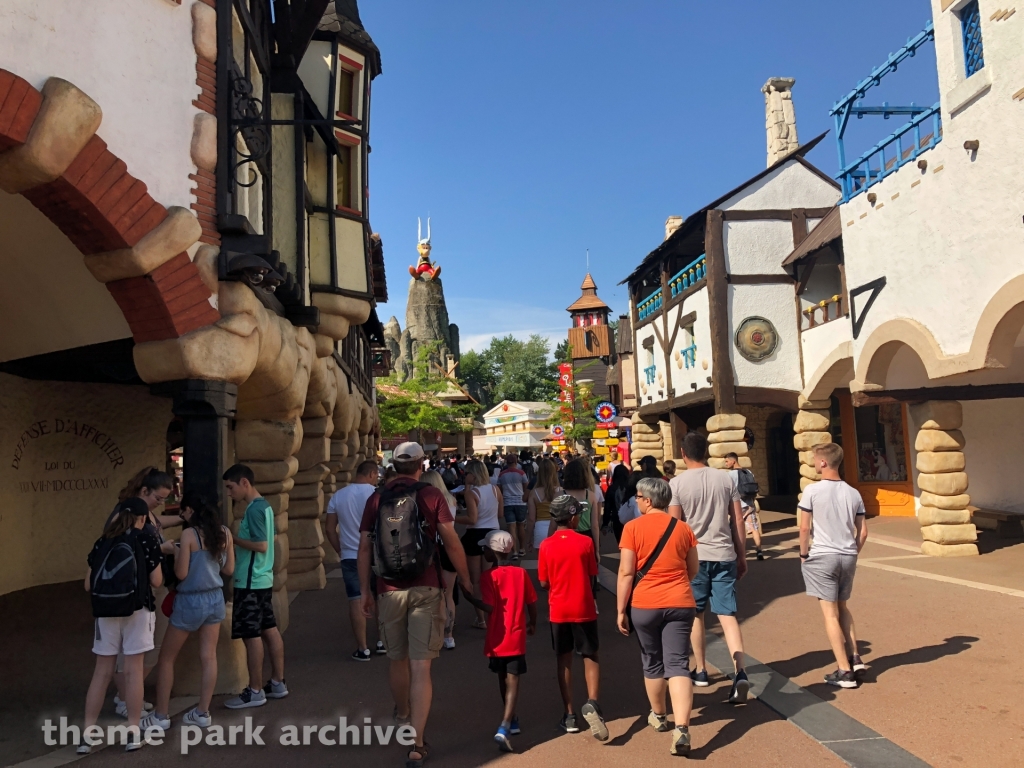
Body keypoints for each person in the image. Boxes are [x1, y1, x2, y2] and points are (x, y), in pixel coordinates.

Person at [358, 442, 472, 768]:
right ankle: (417, 744)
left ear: (393, 465)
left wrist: (366, 591)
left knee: (397, 659)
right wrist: (465, 578)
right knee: (421, 666)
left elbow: (365, 547)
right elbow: (450, 540)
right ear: (421, 464)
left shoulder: (376, 498)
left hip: (388, 588)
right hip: (426, 585)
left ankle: (403, 714)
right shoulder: (431, 495)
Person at [616, 478, 700, 757]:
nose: (636, 500)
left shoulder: (632, 528)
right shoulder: (682, 527)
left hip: (645, 603)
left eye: (638, 496)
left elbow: (627, 572)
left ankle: (659, 715)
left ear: (648, 500)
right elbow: (693, 568)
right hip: (680, 601)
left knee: (652, 661)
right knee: (678, 663)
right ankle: (683, 727)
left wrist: (621, 610)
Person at [142, 492, 234, 733]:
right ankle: (202, 712)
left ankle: (161, 715)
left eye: (183, 511)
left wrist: (177, 554)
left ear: (191, 510)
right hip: (215, 598)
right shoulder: (225, 533)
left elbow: (181, 574)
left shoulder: (189, 535)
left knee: (167, 658)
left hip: (190, 600)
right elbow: (229, 569)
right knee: (209, 657)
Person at [668, 432, 749, 701]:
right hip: (724, 553)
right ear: (706, 451)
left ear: (683, 453)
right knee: (728, 614)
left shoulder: (677, 484)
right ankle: (740, 671)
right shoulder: (725, 479)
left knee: (696, 614)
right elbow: (738, 519)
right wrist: (741, 555)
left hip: (695, 556)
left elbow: (675, 526)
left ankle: (701, 669)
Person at [79, 498, 163, 754]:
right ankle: (133, 733)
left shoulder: (103, 540)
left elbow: (88, 584)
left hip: (105, 612)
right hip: (138, 610)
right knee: (133, 672)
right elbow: (157, 581)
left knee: (101, 673)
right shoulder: (146, 539)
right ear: (143, 518)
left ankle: (86, 736)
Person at [106, 467, 176, 718]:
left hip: (140, 592)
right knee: (132, 652)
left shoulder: (139, 513)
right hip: (136, 593)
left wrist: (181, 518)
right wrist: (162, 550)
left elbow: (157, 524)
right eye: (158, 498)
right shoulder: (127, 516)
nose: (160, 504)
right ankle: (126, 698)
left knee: (144, 649)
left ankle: (127, 697)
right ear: (144, 490)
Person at [460, 531, 537, 753]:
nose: (483, 551)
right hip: (516, 634)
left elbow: (490, 607)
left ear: (492, 552)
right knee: (513, 679)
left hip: (496, 637)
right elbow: (531, 601)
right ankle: (509, 720)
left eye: (485, 548)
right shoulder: (520, 573)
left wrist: (469, 598)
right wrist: (532, 622)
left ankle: (507, 722)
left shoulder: (488, 577)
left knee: (502, 678)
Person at [799, 443, 869, 689]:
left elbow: (804, 528)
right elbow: (863, 532)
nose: (813, 463)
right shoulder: (853, 493)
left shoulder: (812, 491)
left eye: (815, 459)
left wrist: (803, 554)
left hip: (823, 555)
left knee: (830, 613)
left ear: (823, 462)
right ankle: (855, 656)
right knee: (843, 607)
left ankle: (844, 670)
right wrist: (853, 552)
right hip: (847, 554)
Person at [538, 496, 608, 741]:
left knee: (563, 659)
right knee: (591, 655)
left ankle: (569, 715)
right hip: (583, 607)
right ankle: (593, 703)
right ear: (573, 517)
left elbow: (543, 582)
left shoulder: (546, 545)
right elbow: (591, 574)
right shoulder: (585, 542)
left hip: (559, 609)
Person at [223, 464, 288, 709]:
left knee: (252, 635)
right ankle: (277, 682)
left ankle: (255, 690)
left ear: (244, 483)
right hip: (262, 578)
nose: (229, 493)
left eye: (231, 487)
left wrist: (232, 539)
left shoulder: (253, 510)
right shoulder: (265, 507)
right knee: (269, 629)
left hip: (250, 580)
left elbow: (261, 545)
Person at [325, 460, 386, 660]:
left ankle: (362, 648)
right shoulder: (378, 494)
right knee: (380, 597)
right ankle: (382, 641)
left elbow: (329, 529)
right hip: (376, 554)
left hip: (350, 555)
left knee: (355, 599)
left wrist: (340, 549)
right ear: (372, 474)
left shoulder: (338, 496)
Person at [455, 459, 503, 629]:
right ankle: (494, 614)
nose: (465, 475)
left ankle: (481, 619)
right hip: (493, 533)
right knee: (490, 577)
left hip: (475, 534)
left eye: (467, 473)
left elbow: (472, 519)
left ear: (473, 475)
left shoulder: (472, 493)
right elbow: (500, 513)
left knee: (475, 580)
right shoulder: (495, 489)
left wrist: (453, 518)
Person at [421, 469, 461, 650]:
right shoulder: (451, 500)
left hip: (431, 548)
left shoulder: (424, 500)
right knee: (448, 594)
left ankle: (432, 632)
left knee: (430, 593)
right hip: (449, 546)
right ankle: (448, 636)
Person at [724, 452, 763, 561]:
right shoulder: (749, 472)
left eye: (727, 461)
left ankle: (739, 552)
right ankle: (759, 550)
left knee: (735, 529)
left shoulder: (731, 475)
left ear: (733, 461)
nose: (726, 464)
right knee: (754, 528)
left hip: (738, 506)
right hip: (749, 504)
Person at [525, 458, 563, 551]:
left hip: (540, 529)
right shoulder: (561, 491)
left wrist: (528, 539)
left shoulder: (534, 493)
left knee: (541, 559)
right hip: (557, 530)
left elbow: (531, 519)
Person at [497, 453, 530, 558]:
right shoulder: (521, 473)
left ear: (506, 462)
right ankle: (522, 549)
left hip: (507, 503)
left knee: (511, 527)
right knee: (521, 525)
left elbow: (499, 490)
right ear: (516, 462)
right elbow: (526, 487)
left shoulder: (501, 475)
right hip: (520, 502)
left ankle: (514, 551)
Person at [603, 464, 631, 540]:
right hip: (630, 518)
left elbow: (607, 507)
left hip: (617, 519)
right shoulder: (630, 487)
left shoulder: (612, 488)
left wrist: (605, 524)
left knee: (620, 541)